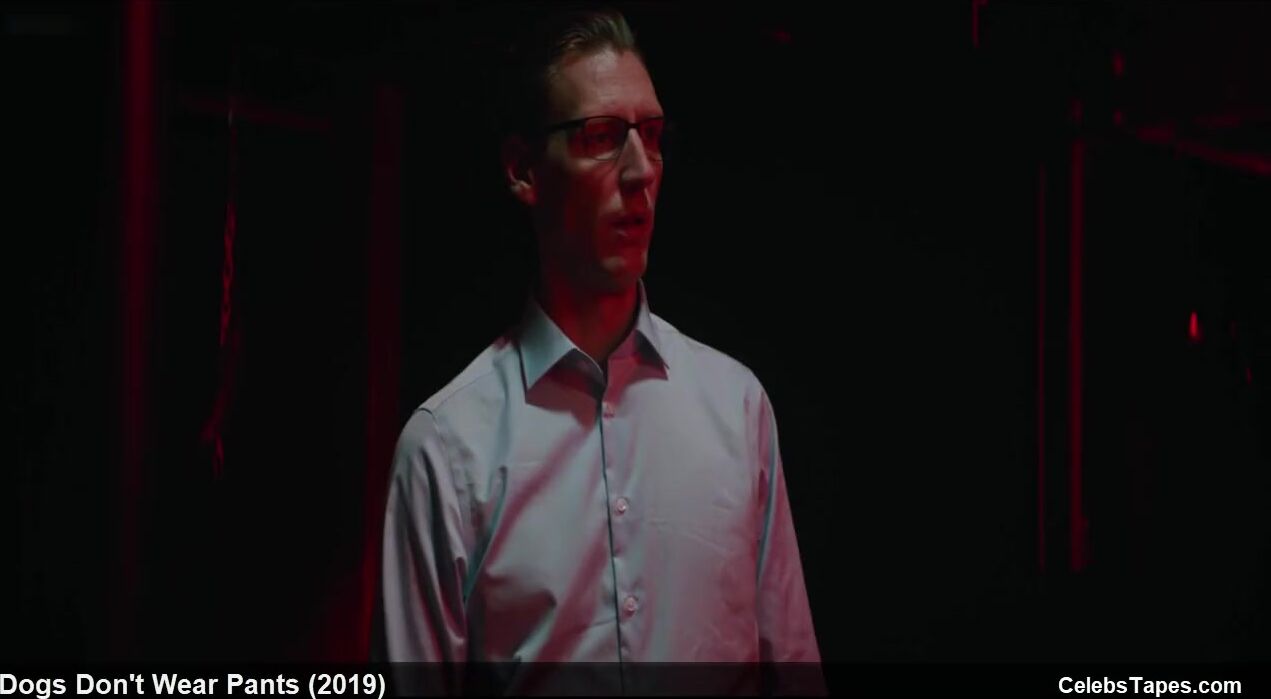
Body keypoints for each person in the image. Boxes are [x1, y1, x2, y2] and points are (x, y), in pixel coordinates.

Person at [378, 7, 822, 694]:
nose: (640, 170)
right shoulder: (447, 448)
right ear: (523, 169)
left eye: (652, 135)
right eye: (601, 136)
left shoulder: (738, 408)